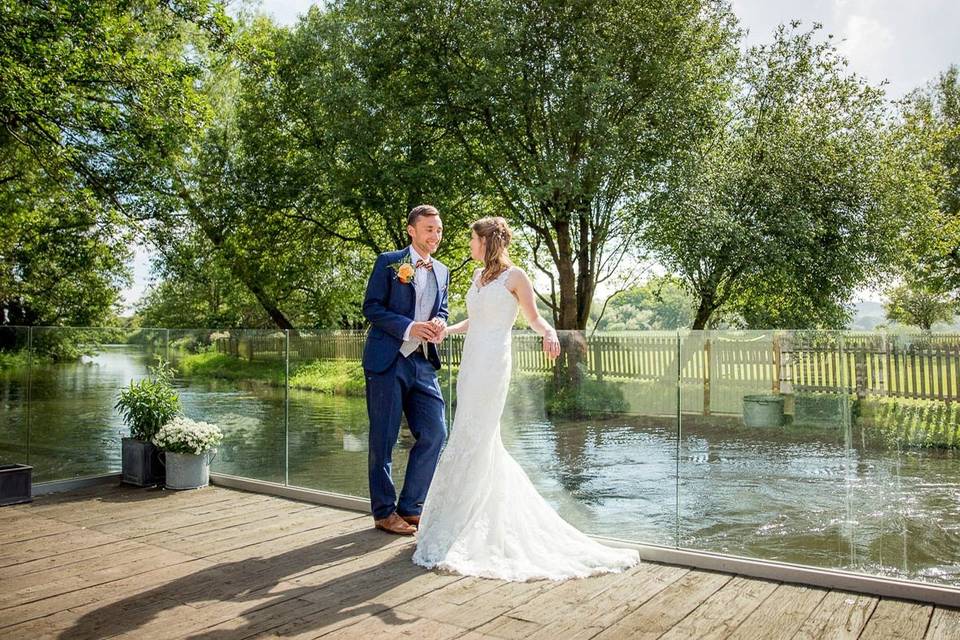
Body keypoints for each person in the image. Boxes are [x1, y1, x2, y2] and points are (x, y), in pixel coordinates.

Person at [412, 216, 640, 581]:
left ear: (488, 241)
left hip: (494, 363)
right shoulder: (476, 277)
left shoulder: (515, 276)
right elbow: (475, 319)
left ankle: (471, 525)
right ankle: (457, 522)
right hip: (472, 362)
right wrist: (447, 331)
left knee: (480, 437)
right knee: (468, 437)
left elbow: (533, 317)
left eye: (473, 240)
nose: (469, 245)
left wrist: (549, 333)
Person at [361, 204, 450, 536]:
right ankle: (384, 512)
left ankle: (411, 506)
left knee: (435, 432)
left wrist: (440, 320)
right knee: (383, 439)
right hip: (387, 359)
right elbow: (371, 307)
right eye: (429, 229)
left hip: (423, 362)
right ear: (412, 230)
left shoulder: (442, 270)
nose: (435, 236)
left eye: (439, 230)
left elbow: (440, 306)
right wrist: (410, 327)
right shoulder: (388, 262)